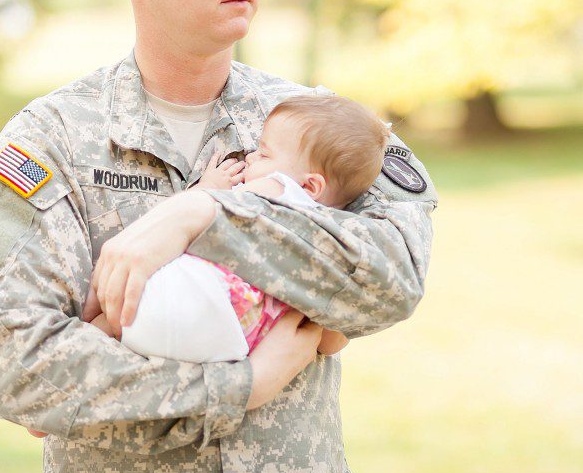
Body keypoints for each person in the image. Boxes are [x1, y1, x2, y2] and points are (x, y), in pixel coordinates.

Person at [0, 0, 437, 473]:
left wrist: (201, 213)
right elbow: (23, 371)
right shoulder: (49, 145)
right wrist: (243, 385)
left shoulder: (314, 122)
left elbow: (394, 277)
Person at [82, 94, 388, 363]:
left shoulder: (280, 189)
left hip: (189, 301)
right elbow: (331, 343)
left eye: (265, 154)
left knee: (111, 299)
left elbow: (208, 212)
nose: (252, 157)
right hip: (231, 340)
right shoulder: (329, 244)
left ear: (309, 185)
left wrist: (209, 187)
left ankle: (77, 341)